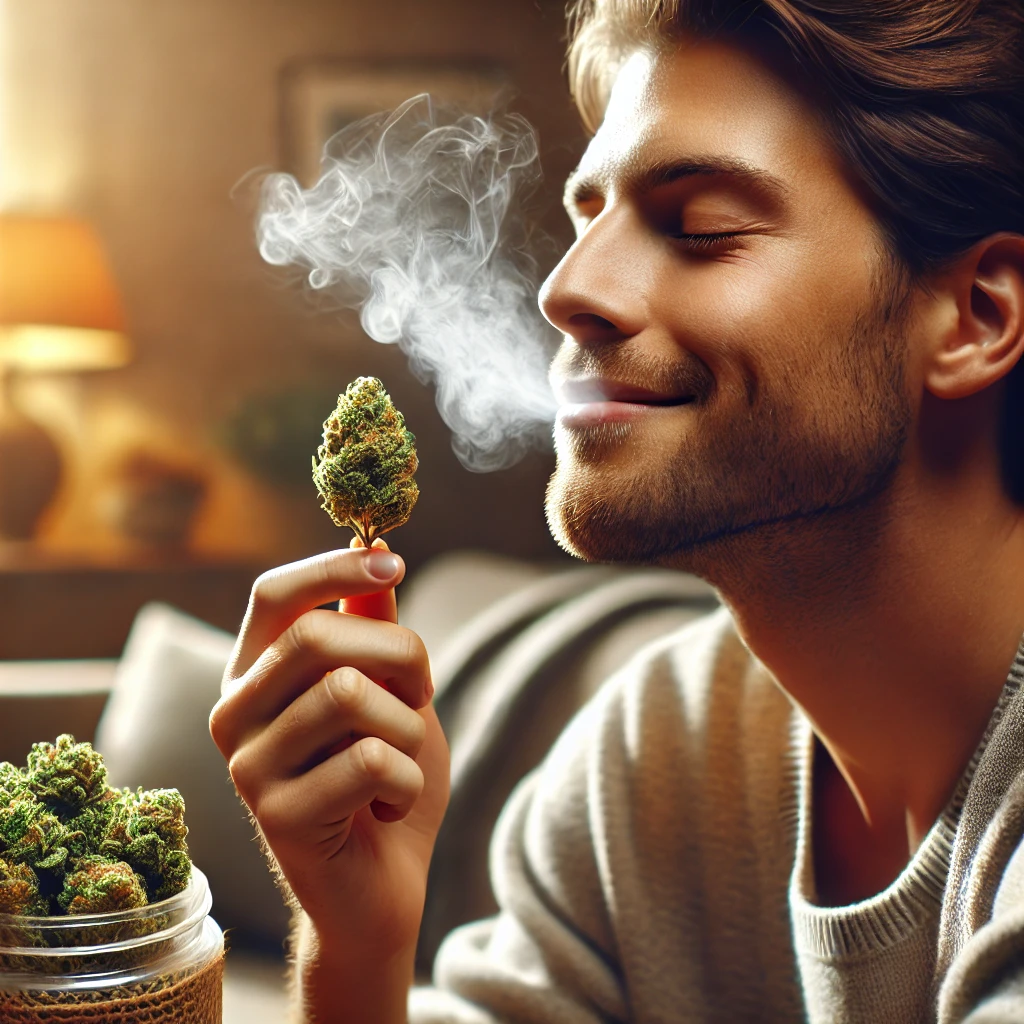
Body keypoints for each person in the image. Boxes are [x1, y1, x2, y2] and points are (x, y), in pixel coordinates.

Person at [209, 0, 1024, 1020]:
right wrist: (356, 945)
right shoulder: (653, 755)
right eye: (588, 218)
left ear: (975, 316)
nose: (565, 288)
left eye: (701, 229)